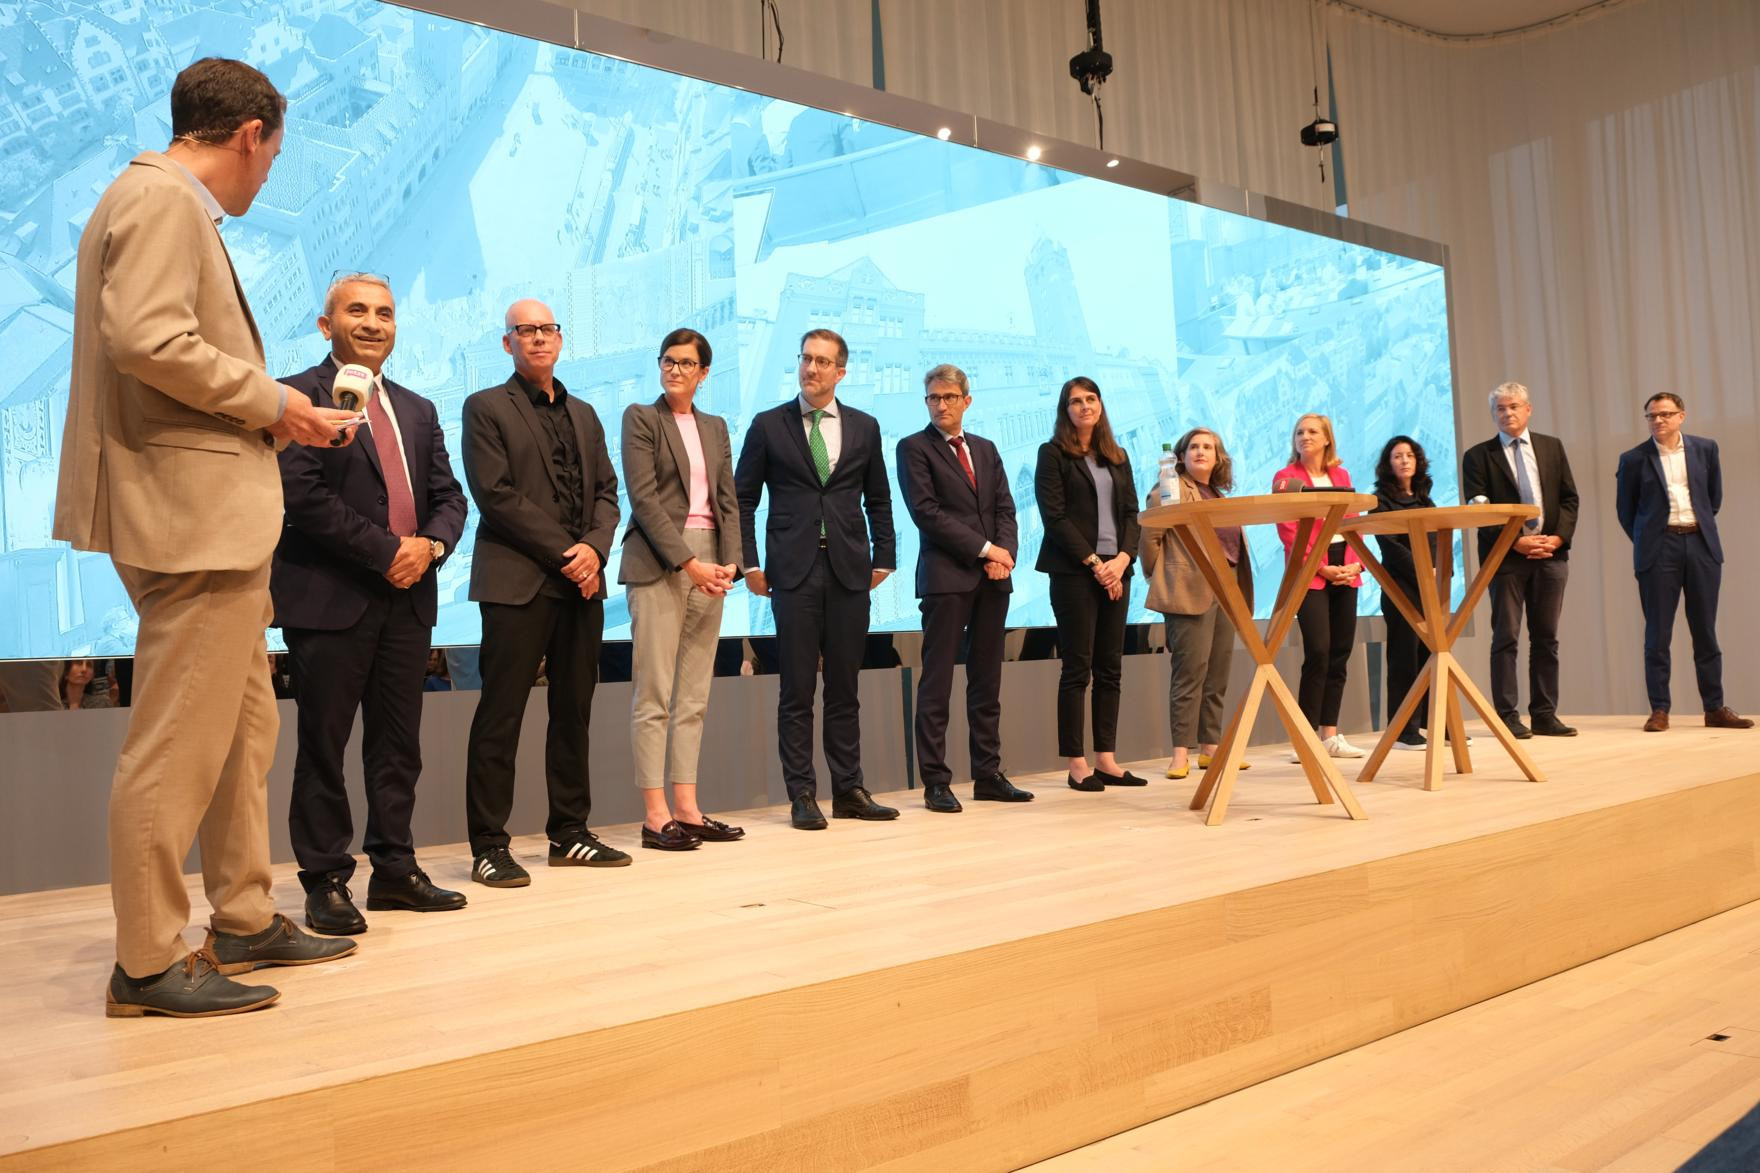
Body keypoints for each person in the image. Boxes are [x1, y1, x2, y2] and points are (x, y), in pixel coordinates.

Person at [53, 58, 359, 1018]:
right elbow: (146, 338)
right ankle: (146, 958)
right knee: (179, 740)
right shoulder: (162, 202)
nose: (268, 178)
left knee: (239, 729)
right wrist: (277, 403)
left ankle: (241, 911)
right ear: (248, 135)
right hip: (191, 516)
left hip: (206, 512)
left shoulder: (154, 201)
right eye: (271, 156)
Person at [271, 272, 470, 934]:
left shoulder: (417, 408)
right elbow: (303, 498)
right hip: (332, 600)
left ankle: (394, 869)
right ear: (326, 325)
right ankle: (325, 879)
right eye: (356, 310)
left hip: (409, 601)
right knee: (324, 746)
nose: (373, 321)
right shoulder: (297, 397)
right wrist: (389, 549)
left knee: (397, 746)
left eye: (385, 312)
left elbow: (451, 498)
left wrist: (430, 549)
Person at [460, 298, 626, 884]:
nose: (538, 338)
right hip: (519, 583)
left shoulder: (585, 413)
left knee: (572, 712)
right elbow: (496, 494)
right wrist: (568, 554)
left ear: (561, 339)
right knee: (500, 715)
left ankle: (569, 834)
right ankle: (488, 844)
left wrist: (596, 550)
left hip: (582, 586)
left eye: (547, 329)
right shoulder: (485, 407)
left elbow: (609, 492)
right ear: (507, 343)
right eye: (524, 331)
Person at [734, 328, 898, 830]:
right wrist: (750, 563)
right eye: (806, 358)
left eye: (823, 361)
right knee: (797, 689)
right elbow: (742, 499)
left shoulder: (865, 427)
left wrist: (885, 557)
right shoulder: (768, 425)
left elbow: (879, 500)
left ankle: (849, 789)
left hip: (850, 569)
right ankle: (802, 793)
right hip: (792, 571)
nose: (812, 368)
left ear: (841, 371)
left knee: (845, 688)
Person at [619, 328, 747, 849]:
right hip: (660, 559)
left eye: (686, 363)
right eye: (667, 361)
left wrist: (731, 564)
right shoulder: (641, 417)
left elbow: (729, 499)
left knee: (694, 695)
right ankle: (655, 816)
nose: (674, 370)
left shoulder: (715, 426)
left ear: (703, 372)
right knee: (654, 695)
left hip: (711, 558)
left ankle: (689, 809)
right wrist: (690, 563)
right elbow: (645, 500)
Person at [896, 364, 1032, 812]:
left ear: (966, 401)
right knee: (936, 683)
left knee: (986, 682)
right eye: (933, 398)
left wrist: (1004, 555)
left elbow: (1005, 508)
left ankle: (988, 774)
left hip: (994, 580)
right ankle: (935, 780)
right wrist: (987, 550)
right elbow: (927, 513)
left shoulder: (987, 449)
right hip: (945, 580)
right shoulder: (913, 448)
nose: (940, 405)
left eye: (949, 397)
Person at [1614, 392, 1752, 732]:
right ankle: (1659, 709)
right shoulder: (1634, 459)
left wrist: (1695, 528)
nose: (1657, 421)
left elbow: (1713, 499)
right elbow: (1625, 511)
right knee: (1657, 633)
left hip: (1701, 545)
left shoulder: (1705, 449)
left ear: (1681, 416)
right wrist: (1651, 539)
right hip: (1659, 548)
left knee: (1705, 630)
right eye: (1651, 416)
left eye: (1664, 414)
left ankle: (1715, 708)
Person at [1034, 376, 1144, 791]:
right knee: (1077, 669)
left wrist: (1121, 560)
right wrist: (1097, 564)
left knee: (1110, 668)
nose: (1084, 406)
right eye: (1075, 401)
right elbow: (1055, 517)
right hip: (1075, 574)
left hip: (1117, 570)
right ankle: (1077, 764)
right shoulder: (1053, 454)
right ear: (1065, 410)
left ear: (1100, 406)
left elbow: (1132, 513)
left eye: (1090, 399)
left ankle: (1107, 760)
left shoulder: (1116, 456)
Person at [1461, 382, 1579, 738]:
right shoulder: (1478, 456)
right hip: (1506, 558)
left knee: (1546, 638)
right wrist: (1516, 542)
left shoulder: (1551, 447)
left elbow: (1570, 499)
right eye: (1500, 408)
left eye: (1513, 407)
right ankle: (1507, 716)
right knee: (1506, 637)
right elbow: (1478, 511)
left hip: (1550, 555)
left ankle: (1544, 714)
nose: (1507, 413)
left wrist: (1557, 538)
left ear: (1528, 410)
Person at [1139, 427, 1252, 780]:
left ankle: (1210, 749)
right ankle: (1178, 754)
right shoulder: (1171, 487)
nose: (1201, 452)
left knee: (1217, 673)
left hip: (1226, 591)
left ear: (1219, 458)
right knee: (1189, 674)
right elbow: (1151, 534)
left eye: (1209, 447)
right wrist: (1163, 576)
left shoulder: (1218, 494)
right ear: (1182, 455)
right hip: (1189, 589)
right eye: (1194, 447)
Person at [1272, 413, 1366, 759]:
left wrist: (1355, 562)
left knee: (1341, 651)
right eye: (1299, 431)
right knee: (1319, 650)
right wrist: (1322, 567)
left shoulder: (1341, 476)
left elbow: (1354, 521)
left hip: (1346, 563)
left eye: (1312, 431)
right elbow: (1288, 530)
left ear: (1327, 438)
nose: (1304, 436)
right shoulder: (1285, 478)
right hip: (1311, 568)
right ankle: (1306, 737)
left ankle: (1330, 735)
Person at [1372, 436, 1437, 751]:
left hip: (1429, 585)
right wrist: (1422, 569)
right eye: (1397, 456)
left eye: (1409, 455)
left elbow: (1438, 534)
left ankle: (1436, 723)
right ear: (1388, 463)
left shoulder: (1426, 499)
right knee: (1404, 657)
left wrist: (1436, 568)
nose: (1404, 460)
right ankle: (1403, 729)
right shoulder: (1380, 501)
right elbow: (1390, 546)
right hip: (1400, 585)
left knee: (1431, 653)